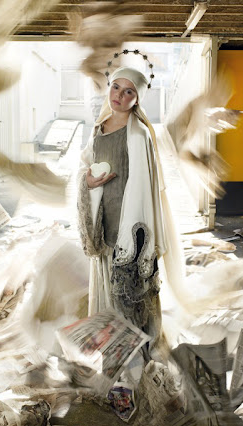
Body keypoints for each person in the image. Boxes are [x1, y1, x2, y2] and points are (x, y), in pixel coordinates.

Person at [77, 66, 171, 360]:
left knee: (130, 298)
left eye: (128, 91)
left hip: (129, 229)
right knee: (109, 295)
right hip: (104, 224)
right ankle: (114, 358)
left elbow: (142, 187)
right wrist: (87, 182)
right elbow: (85, 167)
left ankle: (136, 363)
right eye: (116, 87)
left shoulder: (138, 134)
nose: (119, 95)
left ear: (137, 98)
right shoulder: (99, 128)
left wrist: (130, 238)